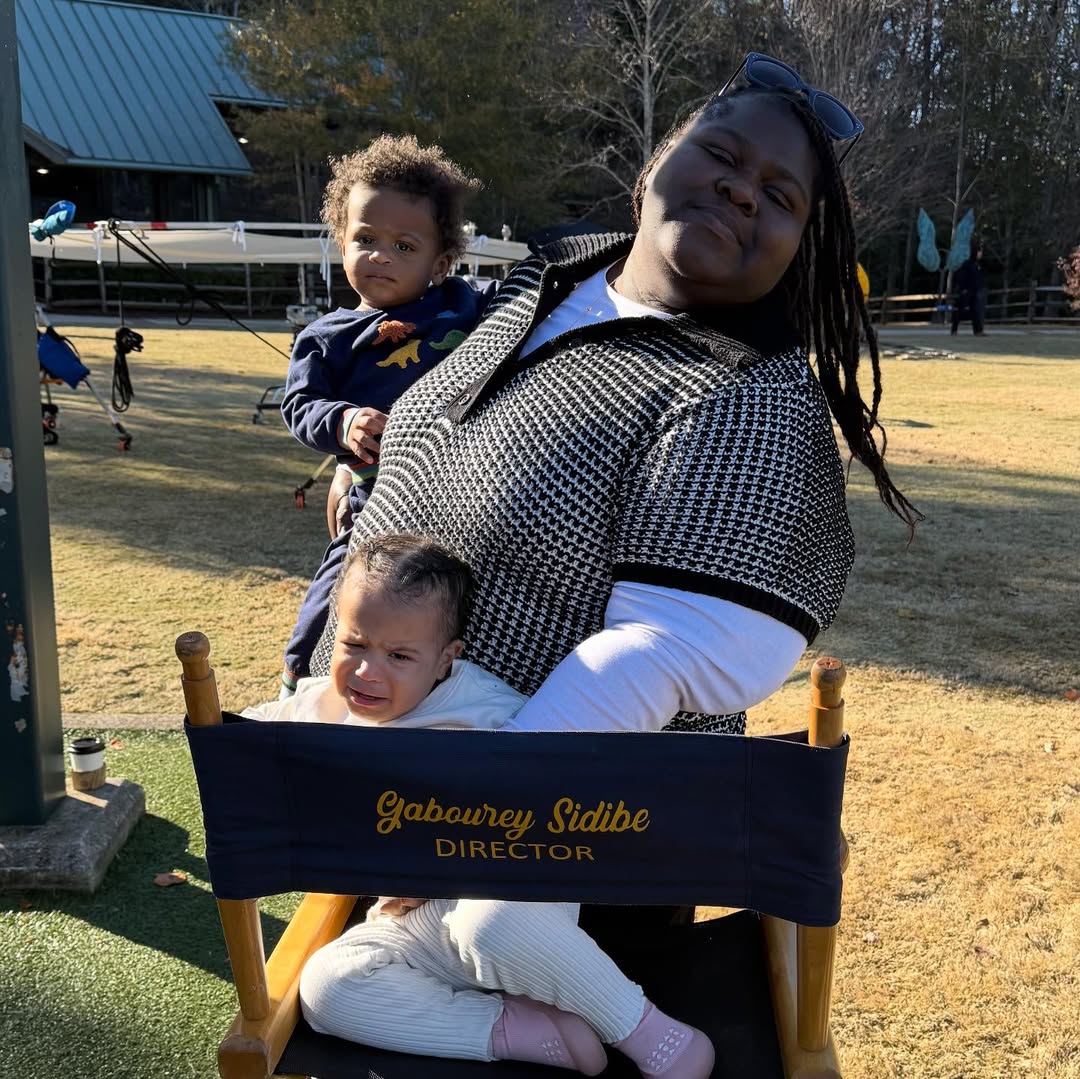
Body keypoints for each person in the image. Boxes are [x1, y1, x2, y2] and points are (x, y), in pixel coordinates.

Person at [301, 52, 921, 1069]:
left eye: (779, 196)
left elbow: (655, 658)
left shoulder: (748, 400)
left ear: (799, 249)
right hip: (414, 799)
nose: (740, 188)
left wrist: (460, 824)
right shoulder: (556, 278)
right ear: (651, 168)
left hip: (564, 863)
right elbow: (445, 441)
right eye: (721, 154)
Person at [247, 532, 716, 1077]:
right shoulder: (323, 707)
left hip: (506, 904)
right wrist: (220, 731)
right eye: (355, 644)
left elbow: (560, 794)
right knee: (328, 986)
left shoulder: (488, 714)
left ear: (445, 659)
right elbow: (248, 739)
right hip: (412, 927)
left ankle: (651, 1034)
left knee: (487, 925)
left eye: (399, 655)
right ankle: (522, 1030)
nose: (368, 672)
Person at [277, 134, 495, 695]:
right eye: (366, 238)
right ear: (340, 240)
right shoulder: (327, 338)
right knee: (340, 592)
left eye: (404, 245)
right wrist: (343, 422)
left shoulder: (464, 304)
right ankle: (298, 679)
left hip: (466, 499)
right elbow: (298, 404)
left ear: (441, 261)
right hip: (375, 503)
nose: (380, 255)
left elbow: (533, 292)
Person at [951, 244, 987, 335]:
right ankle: (954, 330)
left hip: (975, 291)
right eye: (979, 252)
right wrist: (963, 289)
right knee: (960, 310)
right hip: (966, 291)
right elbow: (961, 277)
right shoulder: (967, 264)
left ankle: (978, 331)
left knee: (975, 311)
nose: (981, 254)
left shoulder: (978, 264)